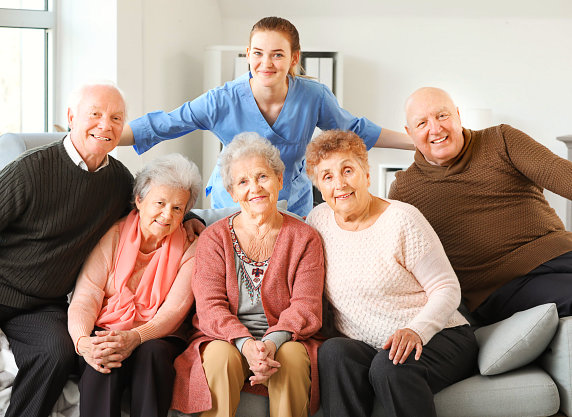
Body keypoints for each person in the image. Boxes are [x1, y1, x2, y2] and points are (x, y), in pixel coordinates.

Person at [119, 16, 413, 217]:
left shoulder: (313, 96)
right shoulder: (222, 100)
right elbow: (165, 124)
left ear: (294, 58)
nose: (266, 63)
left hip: (291, 201)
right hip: (235, 200)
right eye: (258, 53)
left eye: (277, 54)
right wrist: (101, 139)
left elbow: (355, 130)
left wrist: (417, 142)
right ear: (247, 54)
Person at [305, 130, 477, 417]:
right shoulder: (317, 221)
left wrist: (416, 331)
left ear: (367, 174)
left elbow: (446, 288)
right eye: (328, 177)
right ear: (320, 189)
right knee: (334, 352)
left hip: (438, 336)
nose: (340, 184)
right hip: (371, 346)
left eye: (348, 170)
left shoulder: (402, 219)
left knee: (392, 365)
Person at [0, 82, 134, 417]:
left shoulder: (119, 182)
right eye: (95, 114)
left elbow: (153, 206)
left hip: (42, 304)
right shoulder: (31, 170)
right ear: (72, 117)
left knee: (57, 354)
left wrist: (190, 219)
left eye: (116, 118)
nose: (106, 125)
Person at [170, 133, 324, 417]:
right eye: (243, 181)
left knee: (290, 357)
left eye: (263, 176)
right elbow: (210, 307)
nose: (255, 188)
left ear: (279, 180)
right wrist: (245, 344)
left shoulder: (305, 237)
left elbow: (306, 305)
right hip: (225, 338)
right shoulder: (213, 239)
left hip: (286, 338)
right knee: (219, 357)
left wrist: (269, 344)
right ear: (232, 192)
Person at [389, 86, 572, 324]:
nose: (436, 128)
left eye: (442, 115)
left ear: (457, 115)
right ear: (409, 132)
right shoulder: (404, 190)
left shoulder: (501, 139)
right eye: (422, 123)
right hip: (500, 286)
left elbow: (562, 175)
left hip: (561, 252)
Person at [67, 153, 201, 417]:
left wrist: (136, 336)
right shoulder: (113, 235)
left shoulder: (191, 246)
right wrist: (84, 342)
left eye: (177, 208)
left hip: (160, 336)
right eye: (160, 203)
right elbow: (86, 296)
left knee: (152, 354)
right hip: (108, 327)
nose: (167, 215)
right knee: (105, 354)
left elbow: (174, 311)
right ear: (139, 200)